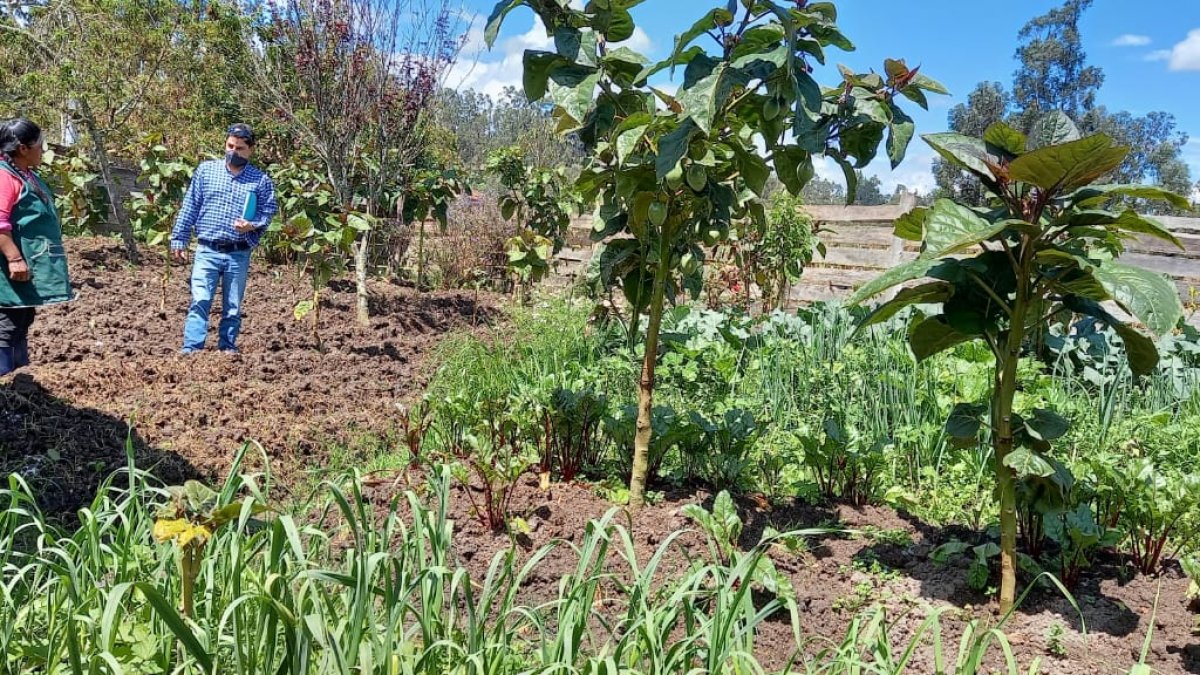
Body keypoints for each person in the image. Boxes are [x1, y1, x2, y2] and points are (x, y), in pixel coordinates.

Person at [170, 123, 277, 354]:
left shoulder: (260, 181)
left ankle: (227, 348)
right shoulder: (206, 171)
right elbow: (190, 206)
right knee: (200, 300)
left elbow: (268, 212)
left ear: (250, 150)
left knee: (232, 306)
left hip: (238, 252)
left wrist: (252, 225)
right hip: (207, 249)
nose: (233, 152)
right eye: (230, 146)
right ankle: (192, 348)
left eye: (239, 148)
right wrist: (179, 238)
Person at [0, 118, 73, 376]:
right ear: (22, 148)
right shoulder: (4, 176)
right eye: (40, 145)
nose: (43, 150)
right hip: (9, 271)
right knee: (6, 327)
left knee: (20, 322)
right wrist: (14, 258)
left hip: (26, 269)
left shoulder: (25, 174)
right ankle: (7, 388)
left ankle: (21, 384)